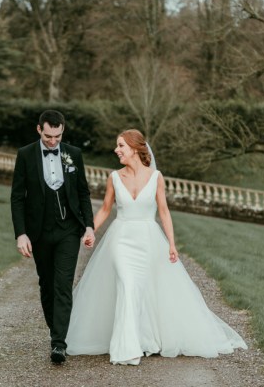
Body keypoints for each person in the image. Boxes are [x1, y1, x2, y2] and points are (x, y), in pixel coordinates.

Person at [65, 129, 247, 365]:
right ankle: (125, 348)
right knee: (127, 284)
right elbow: (105, 209)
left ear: (135, 148)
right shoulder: (114, 177)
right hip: (120, 239)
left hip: (148, 239)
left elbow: (164, 212)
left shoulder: (156, 177)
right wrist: (91, 231)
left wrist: (171, 243)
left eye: (121, 146)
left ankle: (144, 338)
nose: (116, 150)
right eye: (117, 146)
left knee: (141, 289)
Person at [10, 109, 95, 364]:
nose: (52, 141)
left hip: (68, 229)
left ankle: (59, 344)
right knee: (47, 286)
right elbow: (17, 197)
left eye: (57, 136)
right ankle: (55, 329)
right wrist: (21, 234)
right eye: (48, 136)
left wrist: (89, 226)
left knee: (62, 285)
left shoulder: (73, 154)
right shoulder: (25, 155)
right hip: (39, 232)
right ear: (39, 130)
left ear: (62, 132)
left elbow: (83, 193)